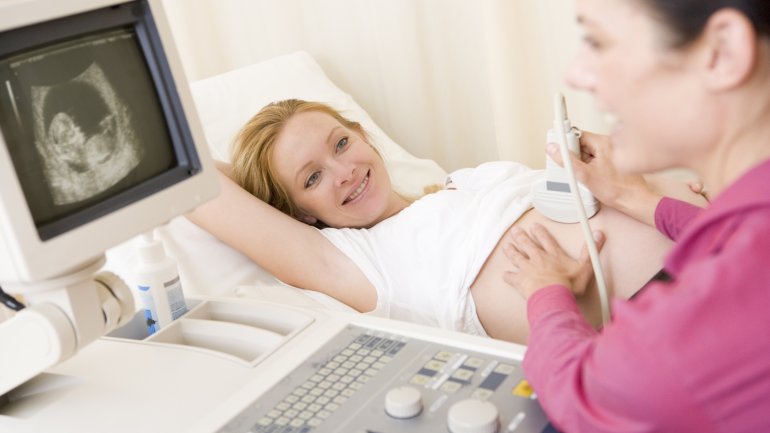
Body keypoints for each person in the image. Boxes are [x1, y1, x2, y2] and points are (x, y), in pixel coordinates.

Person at [187, 99, 705, 344]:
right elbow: (193, 181)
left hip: (717, 240)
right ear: (299, 212)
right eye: (313, 177)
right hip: (669, 318)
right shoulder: (358, 263)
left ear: (363, 135)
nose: (344, 172)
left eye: (341, 143)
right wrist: (263, 180)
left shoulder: (467, 179)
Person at [501, 0, 770, 431]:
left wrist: (546, 291)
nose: (577, 74)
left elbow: (579, 392)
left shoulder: (679, 343)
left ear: (723, 52)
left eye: (597, 41)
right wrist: (636, 199)